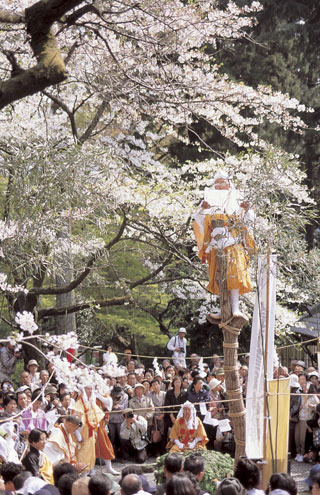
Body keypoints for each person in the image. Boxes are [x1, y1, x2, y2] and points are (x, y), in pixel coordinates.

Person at [193, 169, 255, 321]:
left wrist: (246, 209)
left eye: (222, 182)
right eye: (217, 183)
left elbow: (248, 221)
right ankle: (223, 309)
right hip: (216, 244)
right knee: (220, 275)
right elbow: (198, 221)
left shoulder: (237, 197)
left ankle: (235, 308)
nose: (219, 186)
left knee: (234, 273)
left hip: (234, 243)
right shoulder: (209, 201)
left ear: (228, 183)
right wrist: (203, 209)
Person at [72, 385, 104, 471]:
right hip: (81, 432)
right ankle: (81, 470)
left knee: (90, 452)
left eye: (91, 389)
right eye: (87, 389)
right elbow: (75, 421)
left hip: (90, 431)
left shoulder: (92, 403)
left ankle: (89, 469)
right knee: (82, 452)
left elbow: (96, 417)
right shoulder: (79, 404)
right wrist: (78, 435)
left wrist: (95, 429)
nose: (90, 391)